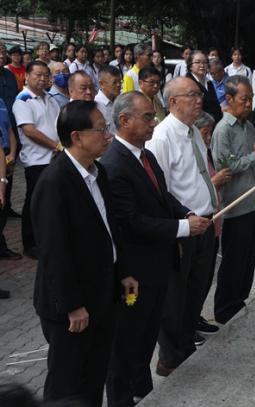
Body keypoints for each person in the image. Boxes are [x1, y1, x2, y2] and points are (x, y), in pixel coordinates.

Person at [101, 92, 209, 406]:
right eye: (147, 117)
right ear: (124, 121)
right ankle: (121, 398)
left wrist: (184, 213)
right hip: (133, 275)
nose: (154, 123)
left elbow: (162, 196)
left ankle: (142, 388)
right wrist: (184, 228)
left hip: (158, 267)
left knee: (147, 335)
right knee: (126, 341)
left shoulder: (144, 155)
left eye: (153, 115)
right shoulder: (115, 164)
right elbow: (131, 222)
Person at [32, 100, 125, 406]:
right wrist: (72, 305)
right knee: (66, 385)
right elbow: (53, 251)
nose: (107, 135)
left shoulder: (98, 173)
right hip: (72, 308)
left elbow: (109, 231)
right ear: (77, 137)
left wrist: (122, 273)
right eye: (101, 129)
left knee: (93, 377)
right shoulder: (55, 182)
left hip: (102, 296)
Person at [146, 77, 215, 375]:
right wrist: (176, 228)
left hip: (205, 223)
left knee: (196, 290)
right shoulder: (161, 137)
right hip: (183, 228)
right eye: (191, 95)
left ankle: (186, 346)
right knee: (175, 296)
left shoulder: (193, 131)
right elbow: (160, 191)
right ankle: (169, 357)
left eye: (199, 94)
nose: (198, 100)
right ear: (173, 102)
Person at [212, 75, 255, 324]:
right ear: (229, 99)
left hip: (254, 199)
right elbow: (225, 165)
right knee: (234, 259)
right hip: (236, 203)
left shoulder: (248, 125)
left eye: (251, 99)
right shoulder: (223, 130)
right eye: (244, 99)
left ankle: (239, 299)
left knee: (248, 256)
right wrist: (254, 156)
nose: (249, 104)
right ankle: (225, 308)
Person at [13, 61, 61, 259]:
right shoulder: (22, 100)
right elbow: (29, 130)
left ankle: (47, 240)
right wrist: (55, 145)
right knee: (34, 202)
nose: (42, 79)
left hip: (53, 158)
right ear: (27, 76)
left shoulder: (50, 98)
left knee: (50, 203)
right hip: (36, 160)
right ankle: (30, 243)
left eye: (45, 75)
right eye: (37, 75)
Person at [194, 111, 230, 337]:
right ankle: (187, 324)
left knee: (206, 277)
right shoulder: (189, 151)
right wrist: (212, 181)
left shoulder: (206, 151)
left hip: (213, 221)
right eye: (204, 133)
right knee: (195, 279)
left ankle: (196, 316)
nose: (208, 138)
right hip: (197, 222)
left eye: (209, 133)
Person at [0, 97, 19, 261]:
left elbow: (10, 130)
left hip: (7, 159)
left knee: (4, 206)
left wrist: (12, 154)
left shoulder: (1, 102)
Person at [186, 50, 222, 123]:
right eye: (198, 62)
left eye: (204, 62)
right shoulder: (188, 83)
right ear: (190, 66)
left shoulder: (209, 83)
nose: (202, 65)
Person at [95, 66, 123, 135]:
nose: (119, 85)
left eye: (120, 81)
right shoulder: (96, 105)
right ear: (101, 84)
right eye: (114, 82)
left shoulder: (121, 99)